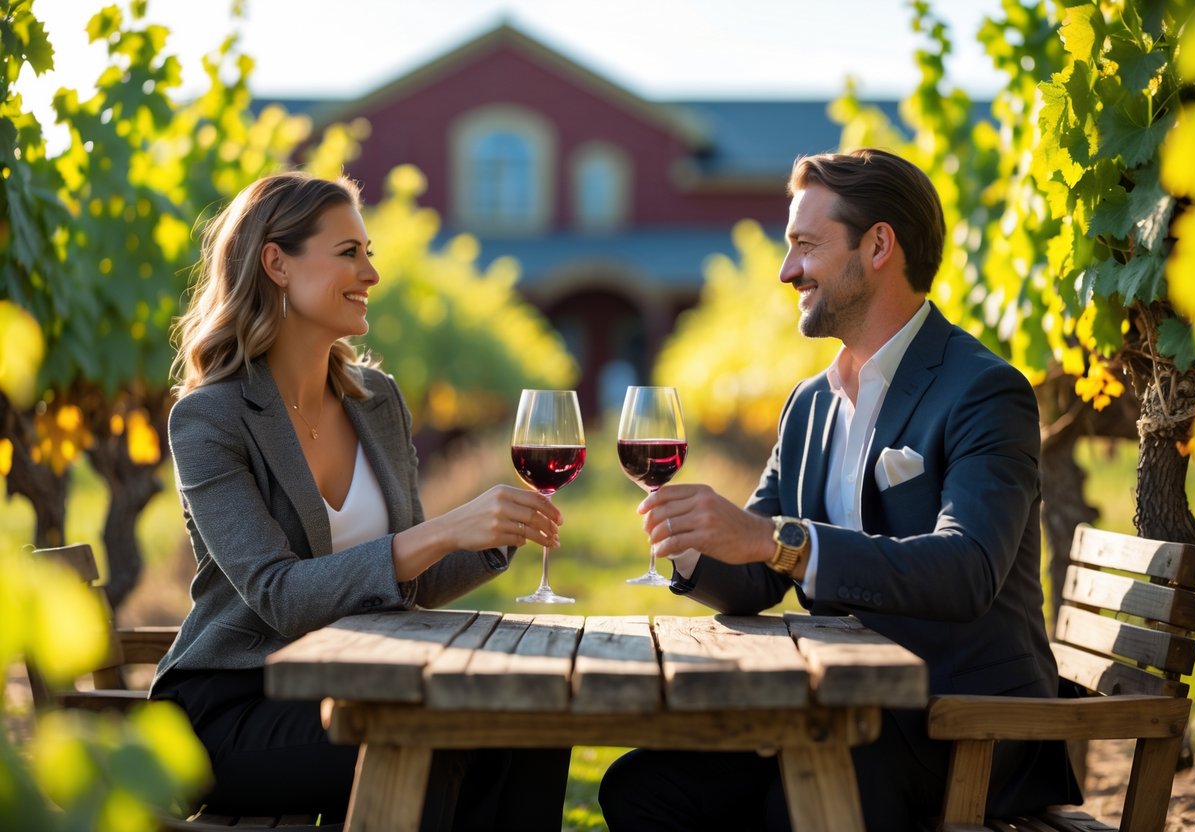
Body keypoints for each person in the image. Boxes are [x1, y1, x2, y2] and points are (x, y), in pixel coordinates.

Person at [598, 148, 1081, 830]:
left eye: (805, 245)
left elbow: (967, 569)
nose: (786, 269)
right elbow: (757, 578)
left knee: (797, 798)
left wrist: (779, 541)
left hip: (959, 722)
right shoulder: (808, 404)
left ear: (878, 244)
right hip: (838, 711)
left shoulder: (981, 390)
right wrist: (690, 542)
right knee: (642, 787)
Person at [150, 171, 569, 829]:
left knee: (532, 721)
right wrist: (441, 530)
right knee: (438, 746)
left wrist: (491, 535)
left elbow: (408, 582)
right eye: (350, 252)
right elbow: (280, 596)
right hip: (234, 706)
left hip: (353, 684)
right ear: (276, 263)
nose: (371, 272)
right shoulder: (211, 419)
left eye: (369, 252)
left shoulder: (376, 401)